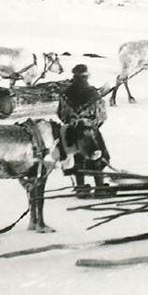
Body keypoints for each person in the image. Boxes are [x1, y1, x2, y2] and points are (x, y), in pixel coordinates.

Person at [58, 64, 113, 198]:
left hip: (73, 132)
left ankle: (80, 188)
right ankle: (99, 188)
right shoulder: (93, 93)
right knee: (97, 156)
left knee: (77, 157)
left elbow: (61, 114)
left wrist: (72, 122)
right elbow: (101, 116)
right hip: (90, 132)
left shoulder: (65, 94)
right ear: (86, 76)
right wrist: (91, 125)